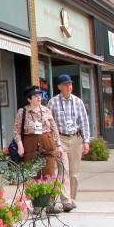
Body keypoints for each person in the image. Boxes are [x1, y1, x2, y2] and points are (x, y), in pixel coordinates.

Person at [12, 85, 63, 211]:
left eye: (40, 95)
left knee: (49, 173)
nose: (39, 98)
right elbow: (16, 131)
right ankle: (37, 204)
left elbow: (54, 128)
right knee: (34, 175)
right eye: (36, 96)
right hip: (30, 144)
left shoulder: (46, 110)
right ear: (29, 99)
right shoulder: (23, 112)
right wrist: (20, 146)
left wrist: (59, 145)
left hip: (47, 142)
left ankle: (50, 204)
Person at [47, 74, 91, 212]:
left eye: (70, 84)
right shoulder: (53, 103)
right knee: (63, 170)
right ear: (59, 87)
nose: (69, 87)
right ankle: (65, 201)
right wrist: (54, 142)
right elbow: (49, 124)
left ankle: (72, 198)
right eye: (66, 85)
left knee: (74, 172)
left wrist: (86, 141)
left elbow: (84, 122)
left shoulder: (78, 102)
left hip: (76, 138)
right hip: (60, 139)